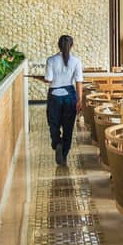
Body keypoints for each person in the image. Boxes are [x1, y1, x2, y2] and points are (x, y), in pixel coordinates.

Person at [44, 34, 83, 166]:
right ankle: (64, 154)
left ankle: (57, 143)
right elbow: (79, 82)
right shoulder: (76, 61)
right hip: (69, 95)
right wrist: (79, 100)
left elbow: (48, 80)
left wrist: (41, 78)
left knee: (53, 123)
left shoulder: (51, 60)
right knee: (68, 127)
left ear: (58, 45)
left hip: (54, 95)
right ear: (71, 46)